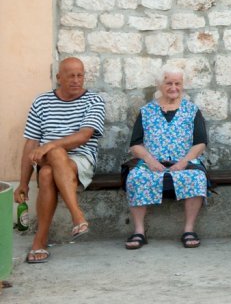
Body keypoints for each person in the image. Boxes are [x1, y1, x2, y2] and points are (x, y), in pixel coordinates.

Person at [14, 57, 106, 264]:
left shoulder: (94, 100)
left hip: (81, 159)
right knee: (51, 160)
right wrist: (23, 183)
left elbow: (84, 136)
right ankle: (77, 217)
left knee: (48, 170)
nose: (76, 80)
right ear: (59, 77)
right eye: (70, 75)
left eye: (80, 75)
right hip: (46, 158)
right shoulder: (41, 102)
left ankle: (41, 240)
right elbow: (31, 144)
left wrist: (49, 145)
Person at [124, 66, 208, 250]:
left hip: (185, 162)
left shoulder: (192, 110)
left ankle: (189, 229)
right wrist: (149, 160)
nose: (173, 87)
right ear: (159, 85)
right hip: (153, 163)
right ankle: (139, 231)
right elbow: (135, 144)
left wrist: (184, 162)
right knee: (136, 177)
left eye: (178, 83)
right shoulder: (146, 111)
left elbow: (200, 143)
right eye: (168, 83)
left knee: (196, 177)